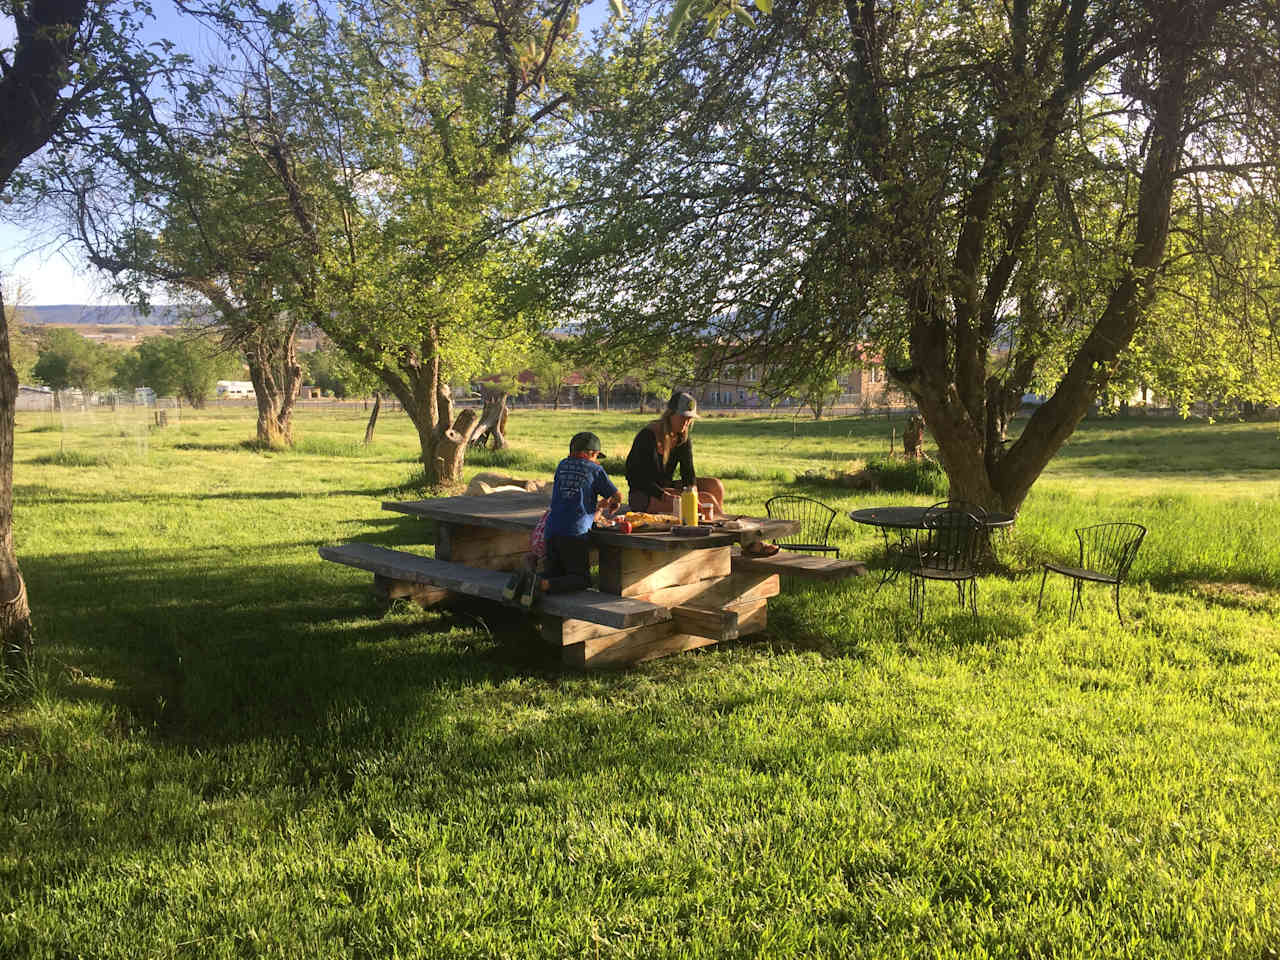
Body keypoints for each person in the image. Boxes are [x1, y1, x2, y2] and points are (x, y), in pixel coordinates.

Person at [506, 430, 621, 604]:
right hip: (574, 534)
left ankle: (528, 581)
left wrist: (598, 507)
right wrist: (614, 503)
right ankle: (540, 583)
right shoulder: (594, 468)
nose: (597, 460)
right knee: (581, 579)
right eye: (596, 456)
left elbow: (573, 499)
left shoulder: (562, 465)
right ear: (589, 453)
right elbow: (617, 494)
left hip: (552, 530)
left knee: (556, 574)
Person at [624, 391, 725, 519]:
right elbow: (636, 478)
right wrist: (666, 497)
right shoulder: (648, 436)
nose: (686, 423)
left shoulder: (682, 437)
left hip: (666, 487)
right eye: (683, 417)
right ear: (670, 414)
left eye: (689, 419)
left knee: (715, 486)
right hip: (644, 493)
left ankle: (712, 523)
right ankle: (721, 526)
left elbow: (688, 473)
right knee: (707, 499)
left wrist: (693, 493)